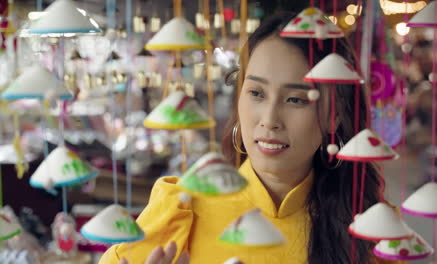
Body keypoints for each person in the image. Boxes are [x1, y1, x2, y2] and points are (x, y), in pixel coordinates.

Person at [100, 13, 404, 264]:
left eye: (296, 99)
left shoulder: (371, 226)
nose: (269, 120)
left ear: (334, 116)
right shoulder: (181, 209)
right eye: (256, 93)